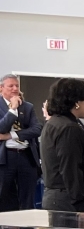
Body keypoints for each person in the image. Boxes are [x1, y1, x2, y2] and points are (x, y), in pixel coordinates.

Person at [38, 77, 84, 213]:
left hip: (59, 197)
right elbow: (70, 168)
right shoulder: (69, 128)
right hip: (69, 201)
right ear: (76, 103)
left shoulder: (54, 122)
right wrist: (81, 205)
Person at [0, 74, 42, 212]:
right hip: (5, 157)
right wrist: (12, 110)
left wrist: (11, 135)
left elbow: (36, 129)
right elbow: (1, 129)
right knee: (4, 194)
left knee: (27, 197)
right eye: (10, 86)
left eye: (17, 85)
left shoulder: (27, 107)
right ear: (1, 89)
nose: (15, 89)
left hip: (26, 155)